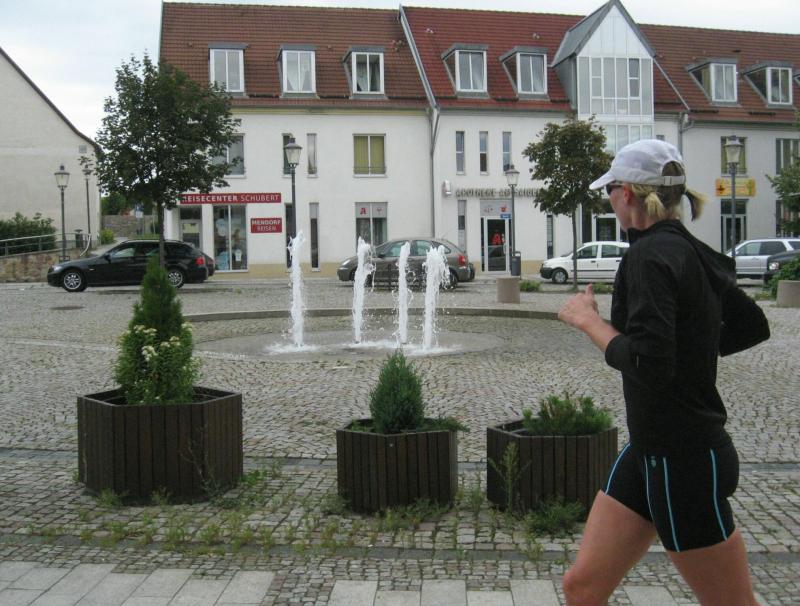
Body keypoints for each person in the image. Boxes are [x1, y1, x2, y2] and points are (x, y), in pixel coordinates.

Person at [558, 140, 769, 606]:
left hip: (684, 461)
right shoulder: (687, 249)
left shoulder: (650, 255)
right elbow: (751, 326)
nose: (608, 201)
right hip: (650, 450)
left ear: (626, 194)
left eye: (609, 190)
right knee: (582, 587)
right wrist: (689, 344)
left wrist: (589, 322)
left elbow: (649, 366)